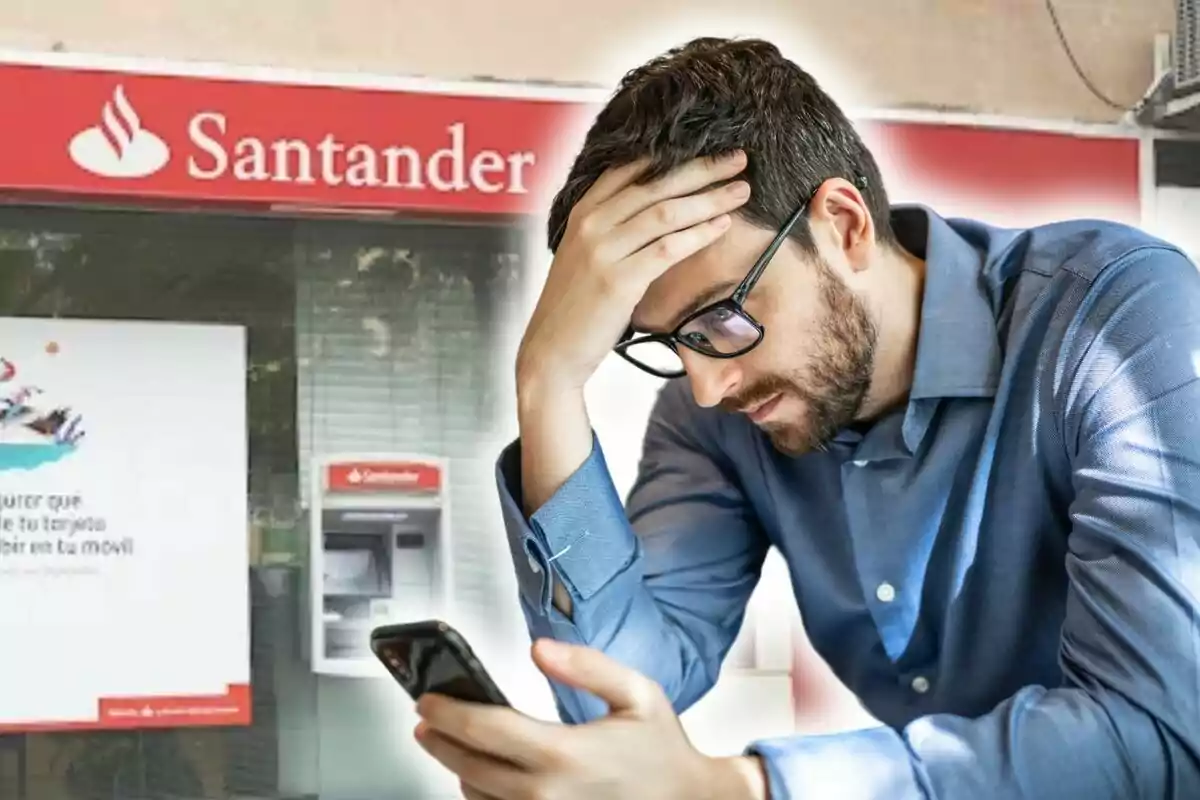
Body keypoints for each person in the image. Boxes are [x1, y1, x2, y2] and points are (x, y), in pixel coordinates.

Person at [412, 36, 1200, 799]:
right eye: (667, 343)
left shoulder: (1111, 316)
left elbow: (1159, 732)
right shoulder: (709, 420)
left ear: (846, 227)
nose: (709, 386)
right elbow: (613, 697)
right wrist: (549, 387)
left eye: (721, 319)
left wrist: (740, 788)